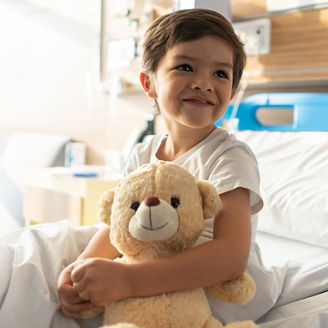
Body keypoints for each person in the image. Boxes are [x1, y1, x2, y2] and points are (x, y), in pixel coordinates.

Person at [57, 8, 267, 323]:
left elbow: (231, 256)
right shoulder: (142, 154)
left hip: (212, 289)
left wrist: (128, 280)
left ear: (232, 92)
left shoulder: (229, 156)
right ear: (148, 82)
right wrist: (80, 270)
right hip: (150, 274)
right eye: (185, 67)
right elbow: (118, 226)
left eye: (220, 74)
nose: (204, 83)